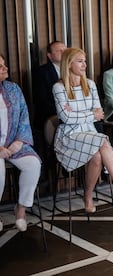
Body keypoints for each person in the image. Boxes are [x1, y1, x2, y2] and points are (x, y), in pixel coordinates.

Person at [53, 48, 113, 213]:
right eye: (80, 61)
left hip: (90, 133)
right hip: (69, 137)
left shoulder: (90, 84)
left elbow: (100, 114)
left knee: (98, 156)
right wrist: (90, 114)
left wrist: (83, 114)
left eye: (85, 60)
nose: (84, 64)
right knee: (103, 140)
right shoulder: (59, 87)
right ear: (68, 64)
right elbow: (66, 119)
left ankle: (88, 195)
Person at [0, 53, 41, 232]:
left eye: (4, 64)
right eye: (0, 67)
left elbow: (24, 116)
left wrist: (19, 141)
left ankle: (21, 211)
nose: (5, 68)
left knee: (33, 164)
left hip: (14, 142)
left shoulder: (13, 89)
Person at [33, 41, 66, 130]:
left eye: (65, 50)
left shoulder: (73, 69)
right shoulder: (41, 72)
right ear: (50, 56)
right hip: (51, 116)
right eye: (58, 51)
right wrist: (63, 111)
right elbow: (41, 100)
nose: (63, 53)